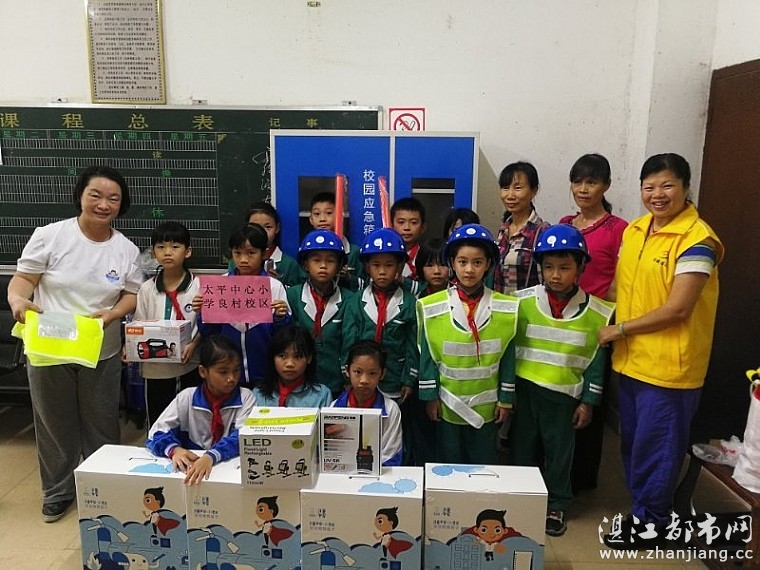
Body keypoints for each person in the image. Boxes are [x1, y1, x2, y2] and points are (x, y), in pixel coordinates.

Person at [598, 153, 723, 548]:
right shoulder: (636, 231)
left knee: (658, 449)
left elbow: (678, 309)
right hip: (632, 361)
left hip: (670, 368)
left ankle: (651, 525)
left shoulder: (697, 239)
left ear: (686, 187)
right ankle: (644, 511)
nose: (657, 194)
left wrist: (619, 329)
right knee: (634, 445)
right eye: (649, 186)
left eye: (667, 185)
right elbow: (620, 289)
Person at [7, 165, 143, 522]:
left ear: (122, 204)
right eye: (95, 195)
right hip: (50, 347)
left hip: (100, 349)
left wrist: (114, 314)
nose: (104, 204)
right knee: (54, 423)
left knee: (102, 423)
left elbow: (131, 294)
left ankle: (103, 488)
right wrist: (18, 301)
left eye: (113, 198)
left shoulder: (126, 249)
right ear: (80, 196)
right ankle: (58, 492)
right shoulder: (50, 236)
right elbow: (22, 280)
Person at [509, 224, 615, 537]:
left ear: (581, 268)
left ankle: (556, 504)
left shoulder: (598, 312)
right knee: (521, 449)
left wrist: (589, 402)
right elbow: (508, 350)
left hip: (564, 399)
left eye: (565, 268)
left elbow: (596, 363)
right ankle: (520, 499)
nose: (555, 275)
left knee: (559, 454)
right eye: (549, 267)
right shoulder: (520, 302)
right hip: (525, 393)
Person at [417, 224, 518, 464]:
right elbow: (427, 357)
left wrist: (506, 399)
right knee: (448, 461)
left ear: (489, 264)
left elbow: (508, 358)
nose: (469, 269)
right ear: (452, 263)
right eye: (462, 262)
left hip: (487, 405)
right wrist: (430, 397)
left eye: (477, 262)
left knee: (483, 462)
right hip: (448, 402)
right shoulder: (431, 306)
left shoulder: (506, 308)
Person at [559, 154, 628, 493]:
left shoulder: (619, 229)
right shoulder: (565, 223)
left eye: (592, 182)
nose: (583, 189)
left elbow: (620, 280)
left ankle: (582, 477)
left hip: (598, 323)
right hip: (560, 320)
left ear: (606, 186)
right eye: (578, 182)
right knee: (562, 394)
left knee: (590, 398)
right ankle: (555, 470)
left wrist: (605, 317)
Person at [146, 334, 256, 484]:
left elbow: (244, 438)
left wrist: (210, 456)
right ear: (203, 371)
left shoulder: (246, 397)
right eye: (223, 372)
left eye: (236, 370)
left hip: (229, 469)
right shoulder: (187, 397)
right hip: (191, 469)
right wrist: (174, 450)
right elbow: (155, 433)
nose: (231, 378)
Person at [194, 223, 291, 388]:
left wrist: (280, 318)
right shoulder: (220, 286)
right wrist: (203, 313)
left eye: (251, 253)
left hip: (265, 372)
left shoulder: (274, 287)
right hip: (229, 374)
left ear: (264, 254)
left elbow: (283, 337)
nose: (243, 259)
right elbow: (209, 334)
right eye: (237, 253)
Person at [132, 221, 202, 427]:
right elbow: (139, 325)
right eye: (161, 247)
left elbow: (205, 323)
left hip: (188, 364)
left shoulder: (199, 286)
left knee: (188, 419)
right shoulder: (147, 289)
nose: (168, 252)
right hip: (155, 368)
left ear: (188, 252)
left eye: (175, 247)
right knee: (158, 419)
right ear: (153, 253)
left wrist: (194, 344)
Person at [343, 228, 418, 403]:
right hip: (362, 379)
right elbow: (348, 340)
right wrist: (347, 378)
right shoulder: (355, 301)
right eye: (376, 265)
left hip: (395, 379)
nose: (382, 271)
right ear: (367, 267)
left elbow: (412, 346)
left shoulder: (410, 303)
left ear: (399, 266)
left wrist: (409, 380)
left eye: (389, 265)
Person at [287, 229, 355, 397]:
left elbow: (349, 341)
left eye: (330, 260)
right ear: (305, 264)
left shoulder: (349, 299)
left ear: (339, 266)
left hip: (336, 381)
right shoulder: (293, 295)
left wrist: (347, 378)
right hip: (299, 379)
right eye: (316, 260)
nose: (323, 266)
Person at [332, 340, 403, 466]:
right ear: (347, 371)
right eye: (358, 372)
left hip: (380, 473)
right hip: (341, 472)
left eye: (372, 373)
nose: (364, 380)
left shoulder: (391, 409)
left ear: (382, 374)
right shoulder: (333, 408)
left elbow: (392, 455)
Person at [494, 161, 549, 295]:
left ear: (534, 191)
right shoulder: (503, 231)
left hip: (528, 307)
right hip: (500, 306)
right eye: (505, 188)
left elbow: (548, 282)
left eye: (518, 188)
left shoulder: (542, 233)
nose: (510, 195)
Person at [253, 325, 331, 407]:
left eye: (297, 356)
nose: (289, 364)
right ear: (273, 358)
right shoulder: (258, 394)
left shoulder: (322, 395)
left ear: (309, 358)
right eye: (282, 356)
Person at [308, 191, 363, 290]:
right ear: (311, 219)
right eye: (317, 214)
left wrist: (348, 278)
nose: (322, 219)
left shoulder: (355, 252)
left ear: (339, 216)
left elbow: (365, 285)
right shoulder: (307, 250)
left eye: (328, 213)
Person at [246, 201, 304, 287]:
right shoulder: (237, 261)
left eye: (268, 227)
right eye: (255, 227)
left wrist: (278, 285)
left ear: (277, 228)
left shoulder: (289, 264)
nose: (262, 232)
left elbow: (300, 292)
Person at [391, 197, 427, 281]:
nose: (407, 227)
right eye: (401, 222)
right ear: (391, 225)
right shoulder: (384, 255)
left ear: (423, 227)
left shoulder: (427, 257)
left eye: (413, 222)